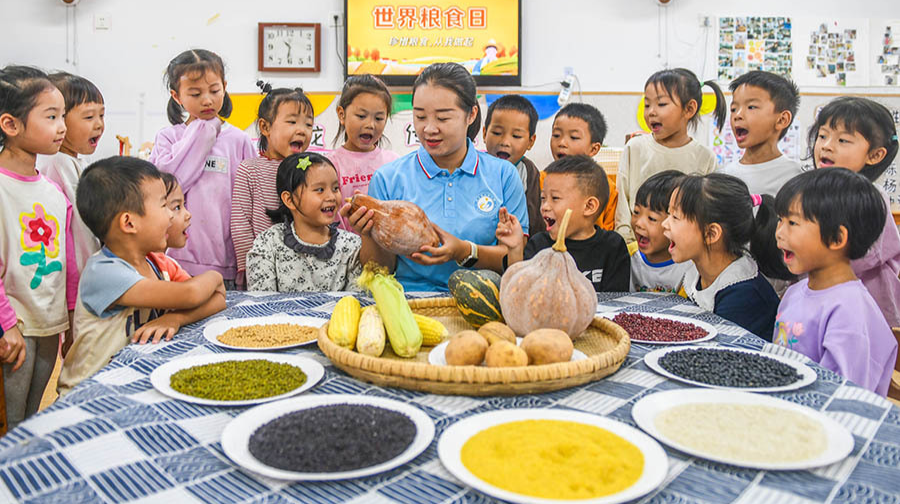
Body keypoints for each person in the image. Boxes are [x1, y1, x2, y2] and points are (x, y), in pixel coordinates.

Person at [341, 63, 528, 292]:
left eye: (442, 118)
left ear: (471, 115)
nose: (429, 129)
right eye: (420, 116)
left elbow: (513, 259)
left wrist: (464, 251)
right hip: (411, 305)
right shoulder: (388, 178)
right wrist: (367, 234)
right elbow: (383, 270)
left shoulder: (503, 175)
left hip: (484, 305)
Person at [58, 158, 225, 396]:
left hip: (130, 385)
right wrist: (215, 274)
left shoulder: (156, 265)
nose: (170, 216)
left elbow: (218, 299)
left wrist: (175, 319)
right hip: (89, 392)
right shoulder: (104, 272)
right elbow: (193, 293)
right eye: (163, 206)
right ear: (129, 222)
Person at [0, 66, 78, 428]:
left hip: (50, 322)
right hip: (13, 325)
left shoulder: (53, 191)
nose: (62, 126)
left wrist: (72, 318)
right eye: (51, 116)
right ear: (11, 125)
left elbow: (69, 259)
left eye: (62, 115)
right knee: (10, 423)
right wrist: (7, 325)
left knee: (31, 419)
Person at [773, 168, 897, 396]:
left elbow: (841, 396)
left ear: (837, 238)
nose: (779, 232)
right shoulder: (796, 292)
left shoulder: (849, 310)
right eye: (780, 220)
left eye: (792, 222)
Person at [149, 49, 255, 287]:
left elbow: (250, 202)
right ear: (177, 97)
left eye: (215, 91)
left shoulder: (239, 140)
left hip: (227, 261)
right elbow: (168, 185)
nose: (207, 100)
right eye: (195, 94)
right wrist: (204, 131)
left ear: (225, 86)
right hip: (177, 261)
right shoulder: (168, 138)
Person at [662, 173, 790, 339]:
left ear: (711, 234)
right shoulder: (699, 274)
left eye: (675, 217)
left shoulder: (743, 296)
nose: (664, 224)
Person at [808, 96, 900, 327]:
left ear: (875, 155)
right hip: (820, 295)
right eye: (822, 135)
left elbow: (869, 253)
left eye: (843, 140)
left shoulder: (872, 197)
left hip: (867, 304)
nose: (827, 145)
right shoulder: (809, 192)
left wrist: (814, 259)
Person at [615, 68, 726, 243]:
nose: (651, 112)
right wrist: (626, 242)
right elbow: (622, 202)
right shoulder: (635, 147)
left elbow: (706, 211)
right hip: (637, 248)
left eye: (661, 104)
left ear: (689, 109)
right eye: (647, 104)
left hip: (684, 251)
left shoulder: (705, 158)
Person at [497, 155, 630, 292]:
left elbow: (616, 301)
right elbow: (518, 291)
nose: (545, 206)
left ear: (589, 206)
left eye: (555, 198)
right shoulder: (539, 244)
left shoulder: (612, 246)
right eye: (543, 198)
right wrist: (515, 249)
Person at [231, 83, 313, 287]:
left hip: (305, 267)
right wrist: (247, 266)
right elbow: (241, 225)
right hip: (262, 267)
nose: (302, 131)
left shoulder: (310, 169)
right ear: (265, 127)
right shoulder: (249, 170)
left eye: (309, 125)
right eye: (292, 122)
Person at [247, 153, 364, 292]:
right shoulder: (268, 243)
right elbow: (261, 303)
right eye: (320, 190)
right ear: (289, 200)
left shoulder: (352, 245)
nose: (331, 196)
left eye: (335, 188)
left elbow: (357, 301)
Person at [36, 72, 104, 272]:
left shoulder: (74, 160)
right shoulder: (58, 162)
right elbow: (80, 228)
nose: (99, 124)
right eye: (89, 116)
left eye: (102, 115)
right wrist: (91, 270)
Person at [330, 74, 399, 231]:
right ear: (342, 114)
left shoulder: (393, 162)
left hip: (384, 251)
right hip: (343, 249)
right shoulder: (330, 164)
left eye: (379, 118)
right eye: (361, 116)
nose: (370, 125)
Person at [718, 70, 803, 196]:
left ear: (782, 120)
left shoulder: (795, 177)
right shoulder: (724, 175)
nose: (737, 115)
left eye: (751, 107)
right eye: (734, 109)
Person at [547, 103, 614, 230]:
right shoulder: (541, 179)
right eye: (556, 135)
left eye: (574, 137)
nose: (561, 143)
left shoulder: (607, 188)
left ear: (594, 149)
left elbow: (610, 233)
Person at [483, 95, 544, 236]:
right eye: (497, 133)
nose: (505, 142)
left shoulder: (529, 172)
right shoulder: (476, 166)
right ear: (485, 133)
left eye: (516, 136)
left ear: (530, 141)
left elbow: (534, 219)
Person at [629, 170, 690, 293]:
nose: (639, 223)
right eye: (636, 212)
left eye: (652, 218)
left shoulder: (689, 266)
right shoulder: (627, 254)